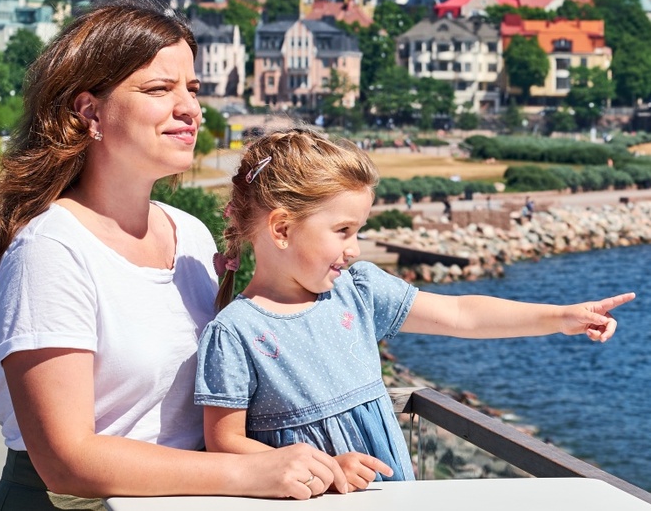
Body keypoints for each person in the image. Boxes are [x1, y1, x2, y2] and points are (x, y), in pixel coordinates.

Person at [0, 0, 350, 510]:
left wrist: (311, 461)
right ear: (89, 111)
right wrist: (249, 472)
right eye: (160, 89)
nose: (190, 108)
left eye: (193, 88)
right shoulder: (50, 253)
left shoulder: (189, 235)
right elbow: (65, 460)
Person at [195, 128, 635, 490]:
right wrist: (324, 471)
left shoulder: (358, 292)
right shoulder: (235, 332)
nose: (355, 248)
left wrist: (560, 318)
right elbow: (223, 441)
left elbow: (463, 315)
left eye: (358, 230)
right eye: (344, 230)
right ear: (283, 228)